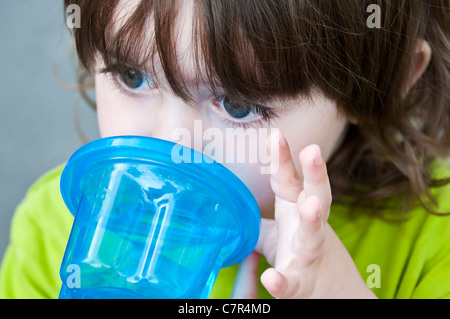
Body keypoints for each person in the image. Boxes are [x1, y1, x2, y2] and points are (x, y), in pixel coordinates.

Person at [1, 0, 450, 299]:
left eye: (238, 106)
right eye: (132, 76)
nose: (172, 145)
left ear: (386, 84)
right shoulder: (54, 229)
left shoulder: (431, 240)